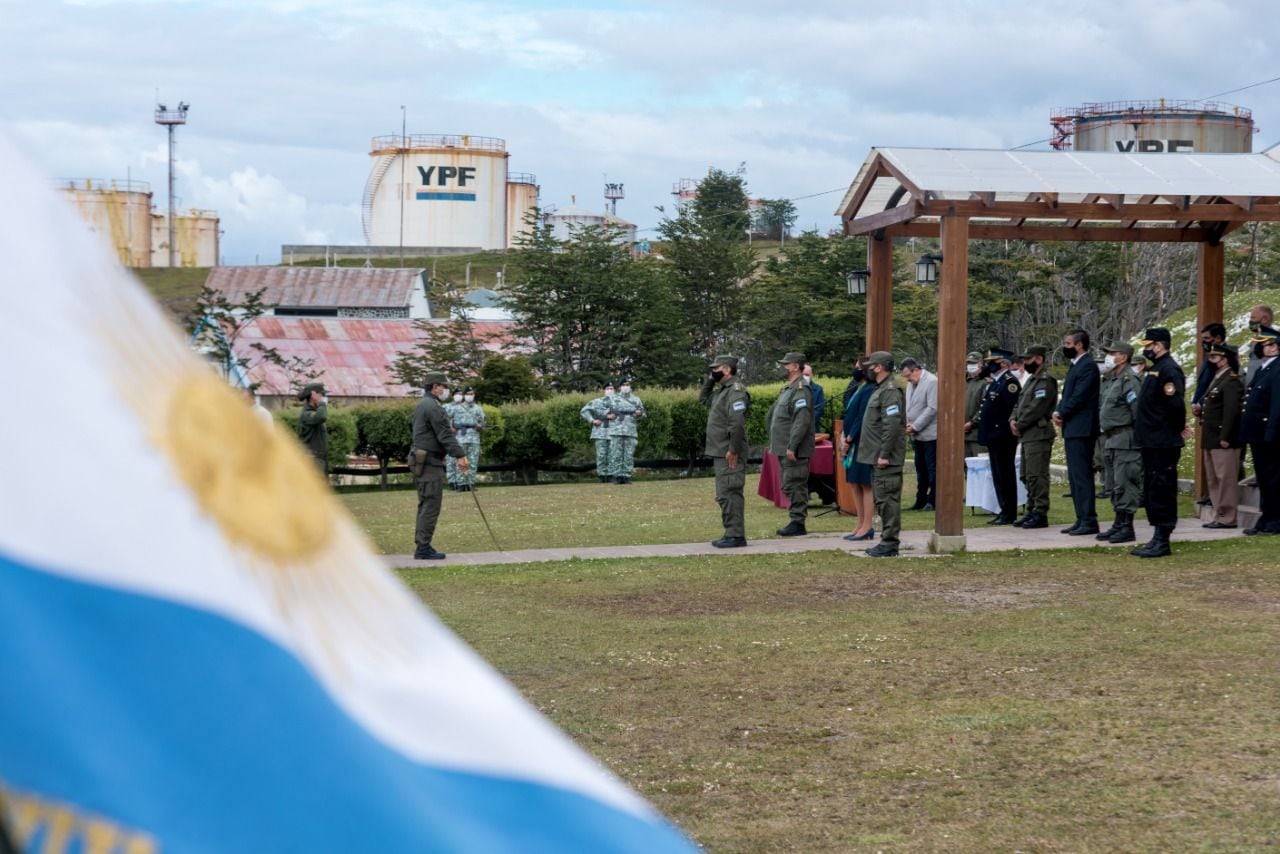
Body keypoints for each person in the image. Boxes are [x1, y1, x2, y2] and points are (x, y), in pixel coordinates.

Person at [1132, 328, 1186, 558]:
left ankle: (1163, 538)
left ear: (1160, 345)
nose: (1146, 349)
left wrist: (1171, 430)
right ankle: (1157, 535)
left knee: (1162, 488)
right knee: (1153, 488)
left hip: (1162, 440)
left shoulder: (1168, 369)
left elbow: (1175, 406)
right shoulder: (1155, 369)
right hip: (1152, 440)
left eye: (1150, 345)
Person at [410, 372, 469, 560]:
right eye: (443, 386)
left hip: (424, 458)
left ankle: (423, 545)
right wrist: (460, 455)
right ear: (435, 387)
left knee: (426, 503)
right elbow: (444, 435)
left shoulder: (424, 404)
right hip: (428, 461)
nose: (445, 389)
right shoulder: (432, 406)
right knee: (430, 504)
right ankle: (423, 548)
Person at [857, 351, 906, 557]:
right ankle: (886, 540)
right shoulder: (880, 389)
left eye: (870, 366)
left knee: (888, 501)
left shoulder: (890, 391)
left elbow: (892, 425)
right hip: (876, 456)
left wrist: (885, 454)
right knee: (882, 500)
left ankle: (889, 543)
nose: (866, 370)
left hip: (885, 457)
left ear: (879, 367)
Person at [1053, 328, 1101, 536]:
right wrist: (1059, 411)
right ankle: (1081, 517)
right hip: (1073, 426)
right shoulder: (1075, 366)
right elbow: (1068, 394)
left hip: (1082, 427)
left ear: (1080, 345)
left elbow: (1080, 396)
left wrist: (1062, 412)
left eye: (1068, 344)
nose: (1065, 347)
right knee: (1074, 476)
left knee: (1082, 475)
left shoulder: (1088, 366)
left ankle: (1089, 519)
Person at [701, 355, 751, 548]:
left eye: (717, 369)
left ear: (727, 370)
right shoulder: (722, 391)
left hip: (729, 452)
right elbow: (703, 399)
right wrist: (710, 380)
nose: (713, 372)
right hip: (720, 450)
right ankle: (731, 532)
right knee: (724, 493)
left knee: (730, 491)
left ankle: (736, 535)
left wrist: (733, 449)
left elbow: (736, 423)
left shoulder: (735, 391)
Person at [1095, 342, 1143, 544]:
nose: (1108, 357)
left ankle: (1127, 526)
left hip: (1126, 439)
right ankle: (1118, 523)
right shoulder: (1114, 380)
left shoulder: (1129, 380)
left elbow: (1137, 411)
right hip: (1112, 438)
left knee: (1126, 482)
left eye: (1112, 354)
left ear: (1123, 357)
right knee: (1115, 484)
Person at [768, 351, 815, 536]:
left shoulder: (801, 389)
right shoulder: (789, 388)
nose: (783, 367)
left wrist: (792, 445)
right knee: (789, 484)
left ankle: (798, 522)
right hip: (783, 447)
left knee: (795, 484)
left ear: (795, 366)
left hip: (793, 449)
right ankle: (795, 520)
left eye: (786, 364)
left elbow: (801, 420)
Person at [1010, 346, 1057, 529]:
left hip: (1039, 433)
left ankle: (1040, 512)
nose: (1025, 363)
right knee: (1026, 475)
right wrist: (1013, 420)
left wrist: (1019, 423)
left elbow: (1037, 408)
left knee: (1037, 475)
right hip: (1027, 434)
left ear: (1038, 359)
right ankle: (1031, 509)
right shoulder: (1031, 380)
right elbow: (1020, 404)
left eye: (1028, 359)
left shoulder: (1046, 380)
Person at [1199, 342, 1244, 529]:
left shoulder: (1231, 380)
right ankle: (1220, 514)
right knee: (1214, 479)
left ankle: (1227, 516)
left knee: (1225, 479)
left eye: (1215, 357)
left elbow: (1231, 411)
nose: (1212, 360)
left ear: (1225, 360)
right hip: (1211, 437)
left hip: (1222, 438)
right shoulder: (1218, 378)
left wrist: (1225, 436)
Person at [1240, 327, 1280, 535]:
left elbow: (1276, 404)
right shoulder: (1265, 369)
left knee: (1273, 478)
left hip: (1268, 433)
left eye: (1271, 344)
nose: (1267, 348)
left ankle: (1275, 520)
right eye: (1264, 344)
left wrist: (1271, 432)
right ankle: (1266, 517)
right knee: (1264, 478)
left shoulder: (1277, 369)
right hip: (1257, 433)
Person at [975, 348, 1021, 525]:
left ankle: (1009, 512)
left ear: (1002, 363)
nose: (988, 365)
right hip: (994, 436)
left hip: (1003, 435)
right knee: (998, 474)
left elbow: (1011, 409)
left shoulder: (1010, 382)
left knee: (1005, 474)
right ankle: (1004, 509)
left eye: (991, 362)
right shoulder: (996, 382)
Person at [839, 357, 876, 541]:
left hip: (861, 442)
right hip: (852, 442)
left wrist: (850, 437)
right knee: (854, 482)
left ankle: (868, 525)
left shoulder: (870, 389)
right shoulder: (859, 388)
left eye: (857, 368)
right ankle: (859, 522)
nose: (854, 371)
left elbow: (862, 416)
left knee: (865, 483)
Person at [900, 357, 938, 510]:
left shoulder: (932, 381)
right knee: (920, 468)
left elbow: (932, 408)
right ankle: (920, 499)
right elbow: (910, 406)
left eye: (909, 375)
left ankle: (933, 499)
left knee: (932, 468)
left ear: (916, 370)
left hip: (930, 434)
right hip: (916, 435)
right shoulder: (911, 384)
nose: (908, 379)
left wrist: (916, 425)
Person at [604, 379, 645, 484]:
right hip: (616, 431)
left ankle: (626, 476)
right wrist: (609, 416)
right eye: (623, 385)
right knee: (615, 454)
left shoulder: (636, 399)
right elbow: (602, 412)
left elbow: (643, 413)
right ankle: (617, 476)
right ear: (620, 387)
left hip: (630, 431)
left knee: (628, 454)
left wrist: (639, 414)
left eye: (627, 384)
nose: (626, 386)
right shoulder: (613, 399)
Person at [449, 386, 486, 492]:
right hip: (460, 438)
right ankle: (461, 484)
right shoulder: (456, 408)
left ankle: (471, 483)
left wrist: (481, 426)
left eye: (472, 394)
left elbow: (483, 421)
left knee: (473, 462)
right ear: (464, 395)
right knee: (460, 462)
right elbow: (447, 419)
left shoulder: (478, 408)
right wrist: (450, 428)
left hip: (474, 438)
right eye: (468, 394)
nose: (470, 396)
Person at [581, 382, 614, 483]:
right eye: (608, 388)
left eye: (612, 388)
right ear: (604, 390)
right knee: (601, 454)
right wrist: (592, 420)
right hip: (600, 432)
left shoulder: (619, 402)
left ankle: (611, 475)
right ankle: (601, 475)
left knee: (613, 455)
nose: (610, 390)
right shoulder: (596, 402)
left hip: (615, 432)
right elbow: (584, 411)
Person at [296, 382, 329, 475]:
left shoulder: (314, 411)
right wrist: (321, 404)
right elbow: (321, 417)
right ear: (313, 396)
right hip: (311, 459)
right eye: (321, 395)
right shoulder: (306, 414)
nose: (323, 398)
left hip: (318, 458)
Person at [1244, 305, 1276, 389]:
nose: (1250, 321)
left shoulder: (1273, 341)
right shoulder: (1257, 337)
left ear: (1264, 319)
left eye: (1253, 318)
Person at [963, 351, 987, 458]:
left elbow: (985, 406)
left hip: (977, 435)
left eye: (973, 363)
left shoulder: (985, 382)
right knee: (964, 467)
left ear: (981, 363)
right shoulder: (962, 381)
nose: (970, 366)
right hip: (962, 435)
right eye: (969, 363)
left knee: (979, 466)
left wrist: (972, 423)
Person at [444, 390, 464, 490]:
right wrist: (450, 428)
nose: (459, 396)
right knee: (450, 461)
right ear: (453, 396)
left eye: (461, 394)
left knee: (462, 460)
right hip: (450, 436)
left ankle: (462, 482)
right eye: (457, 394)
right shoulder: (447, 406)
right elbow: (443, 419)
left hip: (463, 437)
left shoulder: (466, 407)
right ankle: (452, 483)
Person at [802, 363, 827, 434]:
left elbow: (819, 409)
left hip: (812, 428)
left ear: (812, 375)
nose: (804, 377)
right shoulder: (793, 389)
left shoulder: (818, 389)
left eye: (807, 375)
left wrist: (806, 422)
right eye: (802, 374)